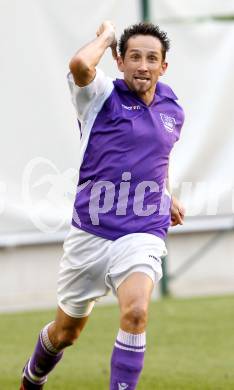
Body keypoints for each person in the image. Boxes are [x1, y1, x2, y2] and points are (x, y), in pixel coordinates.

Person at [20, 20, 185, 390]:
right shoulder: (98, 95)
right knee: (65, 333)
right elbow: (80, 65)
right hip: (90, 234)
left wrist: (166, 194)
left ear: (164, 65)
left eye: (151, 58)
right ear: (119, 61)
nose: (143, 65)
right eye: (134, 57)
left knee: (137, 311)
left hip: (142, 230)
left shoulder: (172, 107)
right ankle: (33, 376)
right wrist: (106, 37)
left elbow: (159, 157)